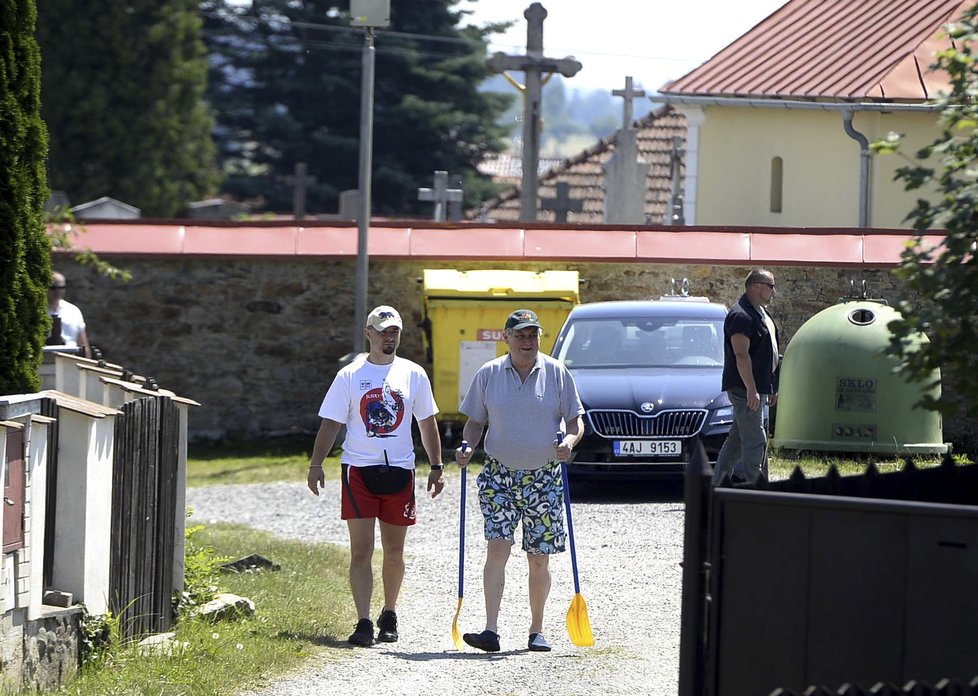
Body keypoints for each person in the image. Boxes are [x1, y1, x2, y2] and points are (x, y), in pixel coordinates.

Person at [306, 305, 445, 647]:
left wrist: (437, 466)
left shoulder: (413, 374)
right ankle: (364, 620)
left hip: (400, 469)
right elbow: (331, 422)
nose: (389, 336)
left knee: (395, 551)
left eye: (394, 331)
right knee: (362, 551)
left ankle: (390, 612)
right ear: (368, 333)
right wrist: (315, 464)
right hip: (359, 470)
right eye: (383, 331)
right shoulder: (350, 376)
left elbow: (426, 422)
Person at [454, 308, 584, 653]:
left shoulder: (556, 373)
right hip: (499, 475)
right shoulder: (489, 374)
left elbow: (575, 421)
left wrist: (569, 443)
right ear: (506, 337)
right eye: (521, 335)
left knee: (539, 557)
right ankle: (490, 630)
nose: (527, 341)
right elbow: (474, 422)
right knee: (498, 548)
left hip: (543, 477)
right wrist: (467, 445)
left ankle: (536, 629)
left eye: (533, 335)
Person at [711, 269, 781, 486]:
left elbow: (769, 352)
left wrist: (771, 387)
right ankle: (756, 490)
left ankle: (717, 484)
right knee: (755, 440)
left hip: (757, 388)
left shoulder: (761, 313)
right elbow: (741, 355)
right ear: (756, 286)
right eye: (770, 286)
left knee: (737, 440)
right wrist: (751, 389)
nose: (773, 291)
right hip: (744, 389)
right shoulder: (741, 314)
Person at [47, 271, 92, 358]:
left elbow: (83, 343)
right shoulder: (37, 311)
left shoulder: (73, 311)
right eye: (53, 288)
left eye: (61, 288)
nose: (57, 291)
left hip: (71, 359)